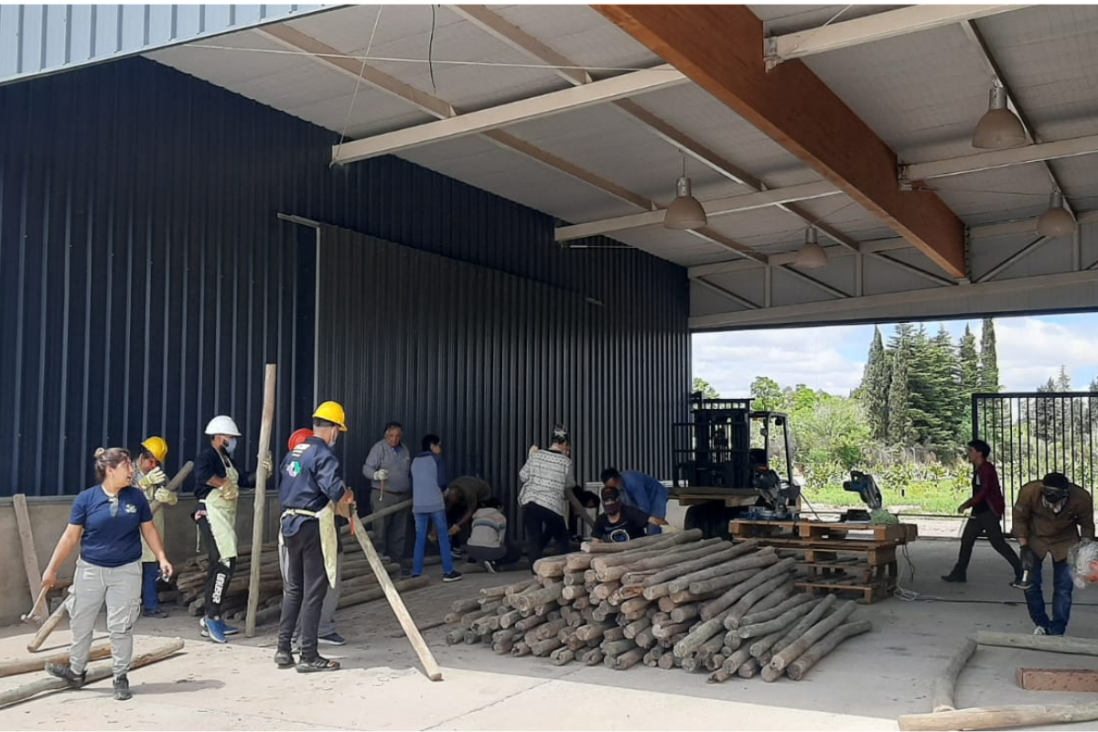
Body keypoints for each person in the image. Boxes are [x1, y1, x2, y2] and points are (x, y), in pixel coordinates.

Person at [41, 448, 173, 701]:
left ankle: (120, 676)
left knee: (120, 626)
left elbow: (149, 529)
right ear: (110, 470)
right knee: (81, 621)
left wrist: (162, 557)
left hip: (126, 571)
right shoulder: (86, 499)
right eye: (127, 467)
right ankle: (76, 672)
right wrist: (52, 568)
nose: (132, 471)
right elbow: (70, 537)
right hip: (90, 570)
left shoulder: (136, 498)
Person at [275, 401, 354, 672]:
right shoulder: (324, 455)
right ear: (332, 430)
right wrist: (347, 500)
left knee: (294, 589)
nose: (337, 436)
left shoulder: (295, 452)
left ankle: (283, 649)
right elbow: (334, 490)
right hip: (311, 526)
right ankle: (309, 655)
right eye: (338, 431)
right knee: (314, 591)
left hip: (289, 524)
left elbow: (284, 485)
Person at [193, 414, 271, 644]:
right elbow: (202, 475)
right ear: (219, 437)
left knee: (221, 563)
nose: (233, 440)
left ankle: (212, 614)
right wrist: (222, 483)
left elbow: (243, 480)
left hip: (225, 516)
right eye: (230, 437)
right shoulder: (207, 456)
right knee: (225, 562)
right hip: (211, 513)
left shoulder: (226, 458)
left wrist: (261, 474)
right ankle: (212, 616)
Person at [1013, 472, 1095, 636]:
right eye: (1050, 501)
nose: (1054, 506)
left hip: (1066, 541)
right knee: (1030, 585)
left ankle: (1057, 629)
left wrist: (1084, 550)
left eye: (1058, 502)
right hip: (1036, 538)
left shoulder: (1081, 497)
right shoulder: (1029, 492)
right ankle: (1041, 624)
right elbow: (1019, 519)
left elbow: (1087, 525)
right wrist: (1024, 548)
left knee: (1064, 588)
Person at [942, 439, 1023, 585]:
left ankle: (1021, 572)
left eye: (971, 451)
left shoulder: (986, 469)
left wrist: (967, 504)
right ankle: (959, 573)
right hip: (980, 511)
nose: (969, 453)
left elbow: (984, 491)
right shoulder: (981, 468)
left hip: (988, 512)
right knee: (967, 540)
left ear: (979, 453)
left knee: (998, 543)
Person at [519, 424, 575, 570]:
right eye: (567, 447)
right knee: (562, 538)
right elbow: (569, 484)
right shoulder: (566, 462)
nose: (567, 450)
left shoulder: (536, 455)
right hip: (552, 505)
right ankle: (569, 569)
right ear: (563, 444)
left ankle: (535, 572)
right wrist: (565, 458)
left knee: (534, 540)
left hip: (530, 502)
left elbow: (523, 476)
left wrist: (530, 456)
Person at [134, 436, 177, 618]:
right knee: (132, 573)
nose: (153, 466)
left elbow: (174, 498)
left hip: (153, 530)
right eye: (151, 461)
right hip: (133, 531)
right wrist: (143, 484)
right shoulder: (129, 472)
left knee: (152, 571)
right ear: (143, 458)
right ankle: (130, 608)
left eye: (156, 462)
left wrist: (169, 497)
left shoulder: (160, 476)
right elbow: (120, 493)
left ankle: (151, 607)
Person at [363, 422, 414, 576]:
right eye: (392, 435)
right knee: (380, 529)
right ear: (386, 435)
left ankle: (396, 564)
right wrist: (376, 475)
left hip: (402, 496)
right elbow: (366, 468)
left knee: (399, 532)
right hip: (384, 495)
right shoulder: (379, 448)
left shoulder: (404, 449)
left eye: (398, 436)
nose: (395, 439)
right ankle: (380, 565)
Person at [411, 434, 462, 582]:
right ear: (432, 446)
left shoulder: (414, 461)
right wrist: (446, 492)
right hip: (435, 503)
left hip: (418, 505)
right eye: (439, 445)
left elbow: (411, 481)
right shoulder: (437, 459)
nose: (440, 448)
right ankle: (448, 571)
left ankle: (417, 573)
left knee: (419, 539)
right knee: (443, 537)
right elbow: (442, 482)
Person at [601, 467, 670, 535]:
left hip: (656, 494)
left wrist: (635, 521)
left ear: (618, 478)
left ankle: (658, 541)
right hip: (641, 497)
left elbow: (644, 506)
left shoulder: (633, 481)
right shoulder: (617, 487)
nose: (615, 488)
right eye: (612, 487)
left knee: (653, 526)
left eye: (615, 485)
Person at [593, 484, 669, 542]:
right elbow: (595, 542)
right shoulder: (601, 520)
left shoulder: (630, 512)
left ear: (619, 500)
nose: (610, 503)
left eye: (612, 500)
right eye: (607, 501)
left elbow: (653, 520)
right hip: (615, 555)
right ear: (603, 502)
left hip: (637, 551)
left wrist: (670, 529)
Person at [467, 498, 523, 572]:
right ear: (499, 507)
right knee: (515, 552)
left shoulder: (476, 516)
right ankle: (493, 562)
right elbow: (501, 540)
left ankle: (478, 560)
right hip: (490, 550)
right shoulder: (500, 517)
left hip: (471, 549)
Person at [446, 475, 493, 555]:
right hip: (463, 491)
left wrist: (458, 526)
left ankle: (475, 547)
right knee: (451, 515)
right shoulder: (448, 492)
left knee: (474, 519)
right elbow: (444, 509)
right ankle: (455, 547)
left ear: (459, 496)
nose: (453, 502)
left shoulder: (469, 493)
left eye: (455, 501)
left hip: (483, 496)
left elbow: (470, 511)